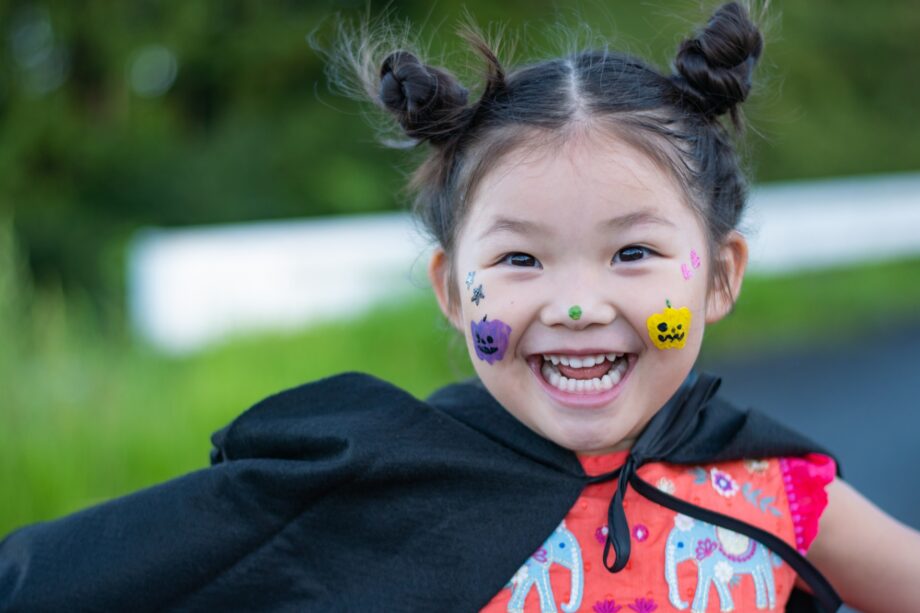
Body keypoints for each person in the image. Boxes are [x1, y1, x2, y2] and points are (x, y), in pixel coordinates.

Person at [2, 2, 919, 611]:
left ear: (720, 275)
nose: (573, 305)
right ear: (451, 287)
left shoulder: (776, 489)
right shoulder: (364, 482)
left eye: (633, 253)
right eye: (520, 258)